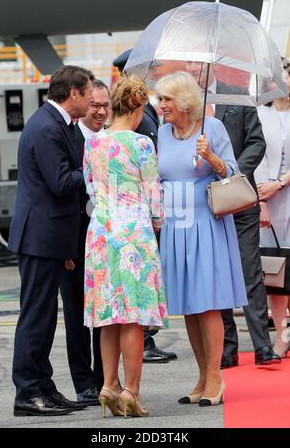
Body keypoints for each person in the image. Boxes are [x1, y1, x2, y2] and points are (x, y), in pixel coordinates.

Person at [155, 71, 247, 406]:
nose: (161, 105)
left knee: (207, 304)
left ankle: (215, 378)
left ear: (185, 102)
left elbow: (234, 175)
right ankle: (201, 374)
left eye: (167, 99)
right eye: (160, 98)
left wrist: (211, 158)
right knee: (189, 307)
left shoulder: (213, 128)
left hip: (205, 224)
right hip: (174, 228)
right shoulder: (163, 133)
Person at [8, 65, 94, 416]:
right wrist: (97, 169)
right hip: (39, 237)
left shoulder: (62, 125)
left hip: (52, 238)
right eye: (88, 92)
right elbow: (60, 182)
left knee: (44, 318)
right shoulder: (46, 127)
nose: (91, 99)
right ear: (73, 93)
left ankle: (44, 385)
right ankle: (28, 392)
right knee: (36, 316)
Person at [185, 61, 281, 367]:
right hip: (207, 204)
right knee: (217, 272)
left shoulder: (238, 96)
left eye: (198, 62)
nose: (194, 67)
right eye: (189, 62)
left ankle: (262, 346)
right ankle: (227, 347)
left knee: (249, 270)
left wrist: (233, 171)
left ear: (212, 65)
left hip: (239, 197)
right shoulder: (185, 104)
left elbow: (257, 142)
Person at [83, 74, 167, 417]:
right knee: (132, 317)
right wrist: (158, 221)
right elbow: (154, 197)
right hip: (133, 235)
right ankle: (131, 391)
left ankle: (108, 385)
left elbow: (90, 188)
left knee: (108, 317)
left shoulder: (93, 144)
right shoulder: (141, 144)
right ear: (137, 107)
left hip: (101, 233)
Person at [113, 49, 177, 364]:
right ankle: (145, 341)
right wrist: (156, 218)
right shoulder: (134, 118)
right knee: (139, 280)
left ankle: (147, 338)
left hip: (123, 214)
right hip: (138, 210)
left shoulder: (144, 109)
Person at [59, 79, 111, 406]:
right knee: (77, 313)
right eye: (95, 105)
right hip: (75, 241)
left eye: (106, 105)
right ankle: (83, 382)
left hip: (107, 239)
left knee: (104, 314)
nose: (101, 111)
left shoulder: (113, 140)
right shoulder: (70, 138)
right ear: (82, 104)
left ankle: (106, 379)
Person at [255, 57, 290, 358]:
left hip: (286, 191)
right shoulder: (260, 115)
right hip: (267, 199)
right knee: (275, 270)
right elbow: (257, 156)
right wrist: (263, 198)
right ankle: (282, 334)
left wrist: (280, 183)